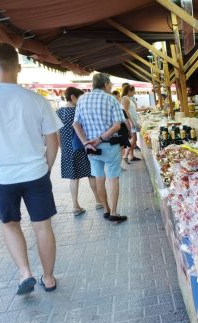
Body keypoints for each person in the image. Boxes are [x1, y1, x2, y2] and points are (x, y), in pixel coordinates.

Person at [0, 43, 61, 294]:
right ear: (19, 68)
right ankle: (49, 278)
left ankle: (24, 272)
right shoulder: (36, 100)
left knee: (10, 223)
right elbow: (53, 140)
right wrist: (47, 168)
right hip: (35, 173)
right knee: (42, 225)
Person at [73, 73, 127, 223]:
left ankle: (105, 209)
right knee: (112, 178)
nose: (111, 87)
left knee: (99, 177)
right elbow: (117, 125)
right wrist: (101, 138)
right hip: (109, 145)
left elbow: (75, 124)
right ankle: (114, 213)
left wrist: (85, 142)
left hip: (91, 148)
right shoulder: (111, 99)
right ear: (105, 84)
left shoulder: (82, 99)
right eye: (110, 84)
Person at [56, 87, 102, 216]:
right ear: (73, 97)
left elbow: (57, 132)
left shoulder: (58, 112)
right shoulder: (78, 110)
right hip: (81, 146)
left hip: (67, 149)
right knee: (91, 173)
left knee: (73, 177)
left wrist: (62, 147)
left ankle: (75, 206)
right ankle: (99, 201)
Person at [121, 84, 141, 163]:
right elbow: (126, 111)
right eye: (133, 91)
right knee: (134, 138)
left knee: (134, 138)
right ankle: (126, 155)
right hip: (130, 121)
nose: (134, 93)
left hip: (132, 120)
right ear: (129, 91)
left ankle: (129, 156)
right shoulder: (125, 98)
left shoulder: (128, 98)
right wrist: (131, 122)